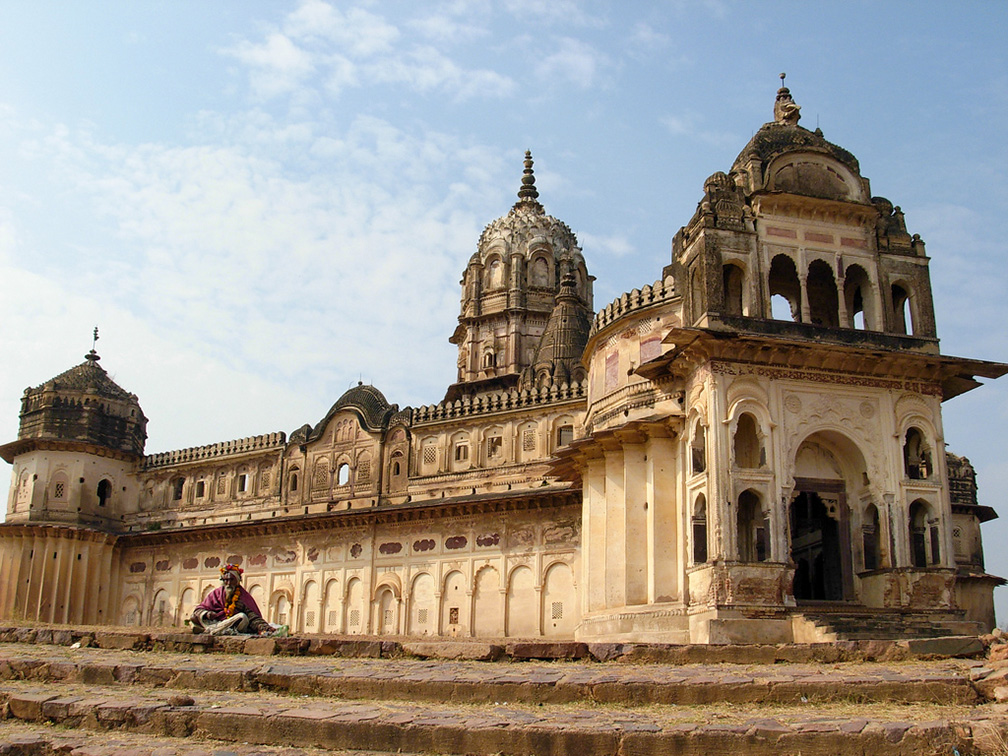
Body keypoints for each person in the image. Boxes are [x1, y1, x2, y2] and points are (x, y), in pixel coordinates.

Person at [190, 563, 276, 635]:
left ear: (237, 581)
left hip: (234, 625)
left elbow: (253, 616)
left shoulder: (243, 596)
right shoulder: (216, 594)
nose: (228, 583)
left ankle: (210, 630)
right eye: (226, 580)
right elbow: (199, 609)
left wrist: (265, 627)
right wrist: (207, 614)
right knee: (194, 617)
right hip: (216, 623)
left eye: (231, 580)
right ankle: (214, 630)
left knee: (242, 617)